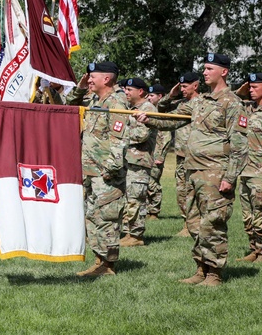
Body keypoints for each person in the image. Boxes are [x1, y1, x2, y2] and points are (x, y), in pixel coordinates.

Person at [138, 53, 248, 286]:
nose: (205, 72)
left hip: (216, 172)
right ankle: (201, 268)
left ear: (224, 72)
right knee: (195, 222)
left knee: (213, 222)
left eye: (210, 68)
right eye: (204, 68)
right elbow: (172, 120)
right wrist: (148, 119)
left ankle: (215, 273)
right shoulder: (199, 102)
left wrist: (230, 177)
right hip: (192, 170)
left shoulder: (232, 102)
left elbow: (239, 145)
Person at [67, 62, 128, 277]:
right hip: (91, 170)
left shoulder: (117, 101)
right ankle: (99, 260)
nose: (89, 79)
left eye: (93, 77)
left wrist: (110, 169)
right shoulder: (95, 99)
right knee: (93, 216)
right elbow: (69, 104)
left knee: (107, 217)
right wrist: (81, 87)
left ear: (107, 79)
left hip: (106, 173)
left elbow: (119, 139)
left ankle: (108, 265)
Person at [235, 73, 262, 263]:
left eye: (254, 87)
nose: (250, 90)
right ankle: (254, 249)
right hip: (244, 168)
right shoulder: (247, 108)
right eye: (249, 88)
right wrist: (243, 90)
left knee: (261, 213)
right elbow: (233, 99)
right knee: (248, 216)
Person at [157, 72, 202, 236]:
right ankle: (187, 224)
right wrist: (171, 95)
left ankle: (194, 224)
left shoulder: (201, 103)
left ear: (195, 86)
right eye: (181, 86)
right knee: (181, 191)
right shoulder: (180, 103)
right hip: (181, 155)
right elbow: (160, 108)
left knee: (194, 191)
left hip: (195, 156)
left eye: (185, 86)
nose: (182, 89)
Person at [120, 77, 156, 247]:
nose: (126, 92)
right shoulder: (131, 108)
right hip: (129, 160)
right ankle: (129, 232)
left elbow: (141, 135)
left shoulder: (148, 108)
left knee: (136, 197)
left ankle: (136, 235)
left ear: (140, 92)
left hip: (139, 161)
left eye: (129, 90)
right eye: (125, 90)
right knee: (129, 197)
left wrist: (119, 133)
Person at [145, 84, 171, 219]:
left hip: (156, 154)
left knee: (153, 182)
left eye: (152, 95)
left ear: (160, 97)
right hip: (147, 152)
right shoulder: (149, 110)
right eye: (148, 95)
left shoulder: (161, 113)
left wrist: (160, 156)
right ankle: (147, 210)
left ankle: (154, 211)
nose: (149, 98)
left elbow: (166, 137)